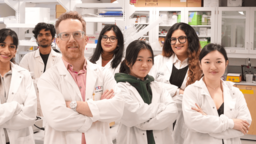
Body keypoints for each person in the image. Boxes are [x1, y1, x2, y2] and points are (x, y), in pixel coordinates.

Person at [38, 11, 125, 144]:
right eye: (65, 35)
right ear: (58, 41)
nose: (72, 39)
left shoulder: (103, 74)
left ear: (86, 40)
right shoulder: (48, 79)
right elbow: (56, 118)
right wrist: (96, 114)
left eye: (77, 34)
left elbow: (117, 109)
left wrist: (72, 105)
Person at [182, 43, 251, 144]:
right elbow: (193, 122)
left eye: (218, 62)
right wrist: (232, 123)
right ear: (200, 64)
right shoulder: (192, 91)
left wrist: (207, 122)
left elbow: (245, 125)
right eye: (207, 62)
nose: (213, 67)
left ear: (226, 63)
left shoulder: (235, 92)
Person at [114, 40, 178, 144]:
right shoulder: (120, 88)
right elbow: (133, 115)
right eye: (139, 60)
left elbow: (172, 112)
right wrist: (161, 107)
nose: (145, 65)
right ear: (128, 62)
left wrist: (143, 124)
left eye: (149, 60)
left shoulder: (157, 87)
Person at [148, 22, 202, 144]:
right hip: (160, 115)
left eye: (181, 38)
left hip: (186, 119)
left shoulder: (201, 65)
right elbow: (150, 85)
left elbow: (200, 95)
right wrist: (178, 91)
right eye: (173, 39)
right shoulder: (158, 61)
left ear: (190, 40)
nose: (177, 43)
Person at [19, 22, 61, 118]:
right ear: (36, 38)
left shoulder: (60, 59)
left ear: (53, 38)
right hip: (33, 105)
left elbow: (61, 83)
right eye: (40, 35)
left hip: (54, 105)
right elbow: (21, 82)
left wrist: (35, 81)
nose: (44, 37)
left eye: (47, 34)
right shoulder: (27, 58)